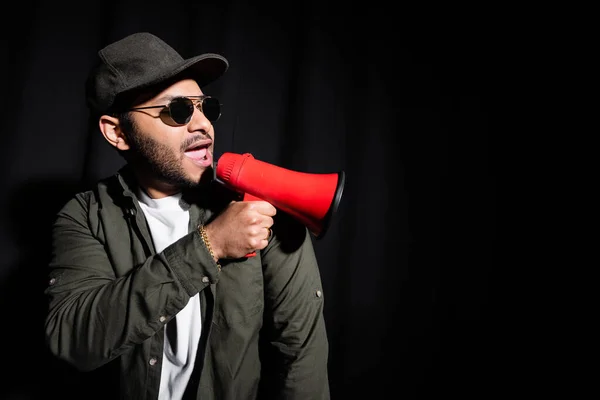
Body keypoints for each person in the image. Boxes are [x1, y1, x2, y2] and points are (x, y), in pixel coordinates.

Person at [43, 31, 330, 400]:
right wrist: (209, 245)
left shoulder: (263, 206)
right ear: (117, 133)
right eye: (177, 111)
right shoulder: (84, 217)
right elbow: (73, 340)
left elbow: (300, 356)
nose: (202, 125)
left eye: (205, 107)